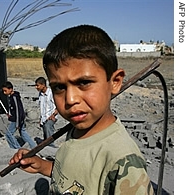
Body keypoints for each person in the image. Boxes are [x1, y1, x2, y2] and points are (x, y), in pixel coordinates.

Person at [9, 25, 154, 194]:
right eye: (59, 87)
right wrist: (42, 166)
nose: (70, 100)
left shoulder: (122, 160)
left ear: (115, 82)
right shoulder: (76, 130)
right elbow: (72, 176)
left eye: (84, 83)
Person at [2, 81, 36, 149]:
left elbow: (18, 110)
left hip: (17, 119)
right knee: (23, 133)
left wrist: (17, 123)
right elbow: (13, 109)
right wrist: (10, 115)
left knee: (9, 134)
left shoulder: (14, 97)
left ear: (10, 89)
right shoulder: (12, 97)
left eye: (5, 90)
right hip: (18, 118)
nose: (4, 93)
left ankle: (16, 148)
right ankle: (33, 146)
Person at [34, 77, 58, 146]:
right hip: (44, 119)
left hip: (51, 117)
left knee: (49, 134)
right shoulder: (40, 95)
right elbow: (42, 107)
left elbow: (58, 106)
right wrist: (40, 119)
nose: (36, 87)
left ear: (43, 85)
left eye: (37, 85)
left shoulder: (51, 93)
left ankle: (52, 150)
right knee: (45, 136)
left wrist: (53, 115)